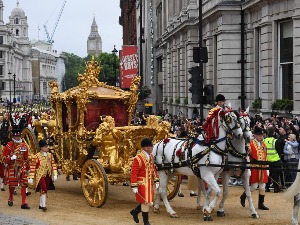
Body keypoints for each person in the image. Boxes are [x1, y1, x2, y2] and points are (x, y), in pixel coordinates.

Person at [130, 138, 159, 225]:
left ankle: (135, 212)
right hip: (141, 183)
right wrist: (134, 185)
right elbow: (134, 172)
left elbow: (153, 168)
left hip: (149, 183)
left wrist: (156, 179)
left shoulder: (150, 156)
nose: (152, 148)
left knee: (148, 202)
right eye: (151, 146)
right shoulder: (138, 158)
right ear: (146, 148)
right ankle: (146, 222)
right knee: (146, 202)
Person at [240, 126, 269, 210]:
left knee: (262, 186)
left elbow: (265, 155)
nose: (261, 136)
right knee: (254, 186)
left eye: (262, 135)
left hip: (262, 167)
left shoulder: (263, 144)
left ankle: (261, 204)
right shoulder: (250, 144)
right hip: (254, 167)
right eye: (259, 135)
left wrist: (267, 167)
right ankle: (243, 196)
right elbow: (248, 156)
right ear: (255, 135)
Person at [2, 128, 30, 209]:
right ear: (13, 136)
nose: (17, 137)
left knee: (24, 184)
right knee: (12, 185)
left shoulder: (24, 146)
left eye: (18, 136)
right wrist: (10, 157)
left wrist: (27, 167)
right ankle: (10, 197)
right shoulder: (9, 145)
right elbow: (3, 158)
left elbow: (26, 158)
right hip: (12, 166)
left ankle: (24, 202)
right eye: (16, 136)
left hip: (21, 166)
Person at [28, 139, 58, 212]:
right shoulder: (36, 156)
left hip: (48, 175)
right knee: (43, 188)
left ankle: (41, 205)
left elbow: (53, 165)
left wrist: (55, 174)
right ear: (41, 147)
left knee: (44, 189)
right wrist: (31, 177)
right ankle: (44, 205)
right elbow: (32, 167)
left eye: (47, 146)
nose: (47, 148)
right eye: (45, 147)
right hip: (40, 175)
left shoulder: (50, 155)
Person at [264, 126, 282, 193]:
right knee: (275, 175)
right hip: (275, 160)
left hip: (267, 160)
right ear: (274, 132)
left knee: (268, 174)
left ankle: (267, 187)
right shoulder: (275, 141)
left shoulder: (264, 140)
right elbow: (279, 151)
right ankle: (276, 188)